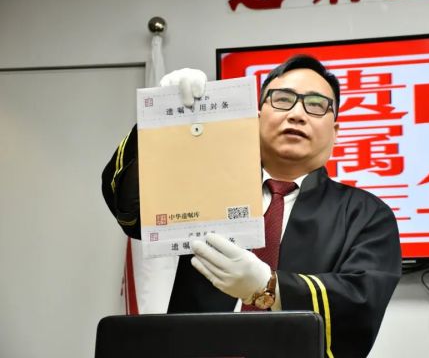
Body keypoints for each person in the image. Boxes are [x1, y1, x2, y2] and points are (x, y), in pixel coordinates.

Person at [101, 54, 401, 358]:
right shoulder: (206, 185)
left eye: (316, 104)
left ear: (335, 132)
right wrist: (162, 119)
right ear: (256, 117)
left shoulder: (366, 214)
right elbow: (132, 207)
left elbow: (362, 302)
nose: (297, 114)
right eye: (283, 100)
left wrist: (270, 287)